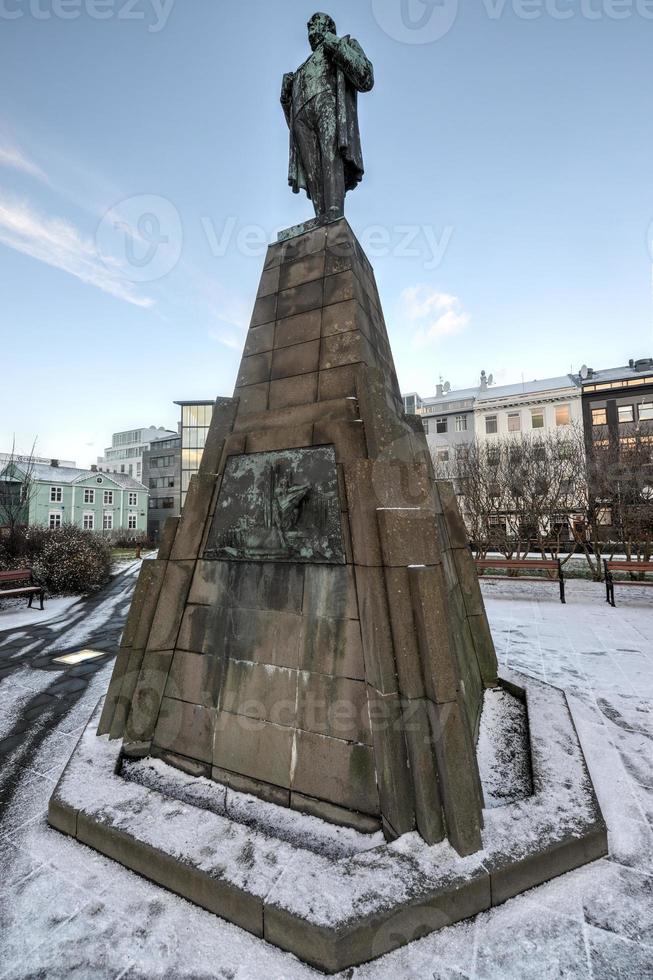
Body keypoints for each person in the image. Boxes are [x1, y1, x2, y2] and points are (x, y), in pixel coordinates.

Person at [281, 12, 374, 220]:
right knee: (312, 171)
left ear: (329, 26)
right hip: (300, 117)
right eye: (309, 26)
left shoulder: (344, 43)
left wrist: (334, 43)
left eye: (316, 22)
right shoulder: (301, 68)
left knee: (331, 159)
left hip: (327, 103)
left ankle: (333, 213)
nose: (311, 28)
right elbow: (290, 127)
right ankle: (321, 216)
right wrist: (286, 99)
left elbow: (366, 77)